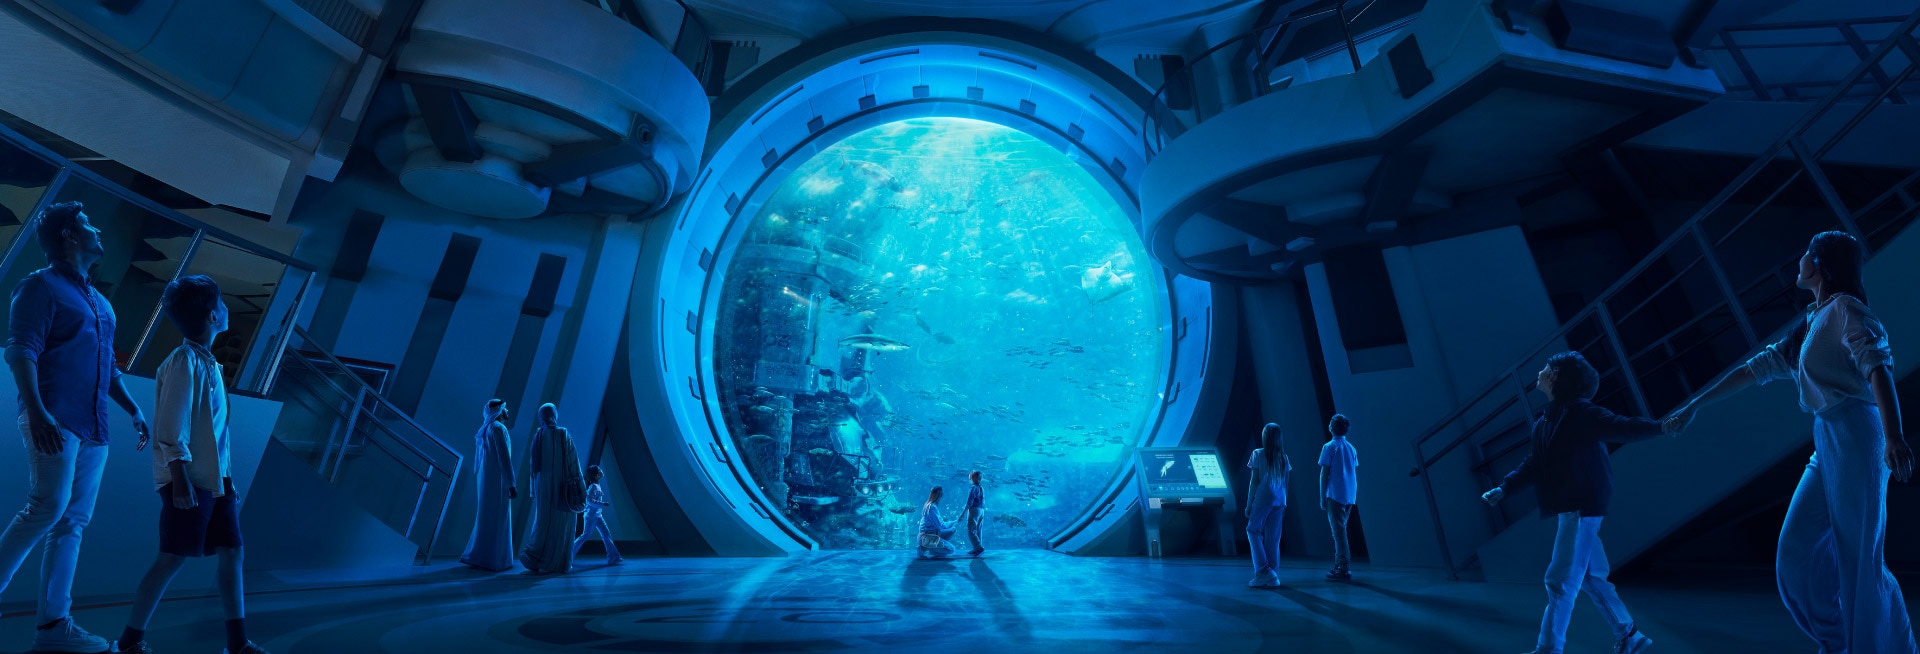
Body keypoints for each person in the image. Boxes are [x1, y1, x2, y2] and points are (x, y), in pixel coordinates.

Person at [1665, 231, 1915, 654]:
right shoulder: (1811, 322)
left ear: (1819, 263)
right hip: (1829, 438)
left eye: (1805, 253)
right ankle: (1838, 640)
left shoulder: (1847, 310)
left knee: (1859, 558)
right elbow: (1754, 369)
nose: (1798, 259)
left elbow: (1878, 369)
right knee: (1795, 550)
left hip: (1859, 436)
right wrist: (1695, 404)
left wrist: (1894, 436)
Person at [0, 201, 151, 653]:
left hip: (94, 428)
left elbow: (107, 369)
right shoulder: (38, 287)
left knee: (72, 523)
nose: (98, 229)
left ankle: (53, 628)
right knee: (47, 507)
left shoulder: (102, 303)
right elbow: (20, 351)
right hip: (53, 418)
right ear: (69, 236)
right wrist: (38, 410)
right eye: (88, 224)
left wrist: (133, 409)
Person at [113, 275, 266, 654]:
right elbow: (171, 427)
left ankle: (237, 644)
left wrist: (226, 479)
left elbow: (215, 432)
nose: (228, 309)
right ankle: (130, 642)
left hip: (215, 482)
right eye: (224, 305)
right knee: (171, 559)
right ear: (213, 315)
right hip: (189, 481)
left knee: (233, 552)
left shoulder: (208, 364)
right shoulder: (183, 362)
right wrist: (180, 481)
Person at [1482, 351, 1668, 654]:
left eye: (1545, 368)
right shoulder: (1545, 423)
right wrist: (1504, 488)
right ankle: (1630, 636)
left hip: (1581, 508)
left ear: (1555, 376)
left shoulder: (1581, 413)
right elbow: (1535, 463)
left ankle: (1548, 649)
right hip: (1573, 509)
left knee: (1559, 581)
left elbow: (1622, 426)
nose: (1539, 372)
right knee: (1593, 578)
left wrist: (1660, 427)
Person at [519, 403, 584, 574]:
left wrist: (535, 490)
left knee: (543, 521)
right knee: (561, 523)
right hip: (563, 487)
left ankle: (535, 557)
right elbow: (573, 463)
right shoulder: (563, 433)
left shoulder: (538, 436)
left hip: (543, 486)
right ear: (554, 414)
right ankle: (557, 562)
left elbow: (533, 468)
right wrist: (581, 490)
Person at [461, 399, 517, 571]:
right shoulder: (499, 429)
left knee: (486, 516)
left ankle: (479, 555)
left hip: (485, 480)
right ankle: (496, 559)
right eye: (505, 409)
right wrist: (511, 483)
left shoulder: (485, 428)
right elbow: (504, 458)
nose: (507, 412)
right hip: (498, 480)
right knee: (499, 517)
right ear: (499, 411)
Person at [1245, 423, 1290, 588]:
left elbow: (1254, 481)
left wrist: (1249, 503)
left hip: (1263, 499)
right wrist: (1285, 503)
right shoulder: (1283, 457)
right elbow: (1286, 483)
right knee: (1273, 539)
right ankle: (1274, 575)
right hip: (1279, 501)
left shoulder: (1258, 454)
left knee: (1252, 530)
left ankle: (1263, 571)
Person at [1319, 414, 1358, 581]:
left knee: (1338, 532)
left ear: (1331, 427)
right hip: (1349, 493)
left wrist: (1322, 496)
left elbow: (1324, 474)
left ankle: (1343, 566)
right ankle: (1339, 564)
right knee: (1341, 530)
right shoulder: (1351, 447)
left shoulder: (1329, 447)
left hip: (1335, 494)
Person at [571, 465, 623, 565]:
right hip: (591, 516)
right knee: (585, 536)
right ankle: (568, 556)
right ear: (596, 475)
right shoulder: (593, 487)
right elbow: (589, 500)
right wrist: (603, 504)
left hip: (597, 516)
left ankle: (614, 557)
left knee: (606, 534)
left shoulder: (596, 485)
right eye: (599, 470)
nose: (601, 471)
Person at [916, 486, 957, 559]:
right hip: (926, 537)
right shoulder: (932, 507)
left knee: (953, 530)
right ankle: (924, 548)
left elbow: (940, 524)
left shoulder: (929, 505)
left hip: (929, 535)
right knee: (951, 549)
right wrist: (954, 522)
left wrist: (953, 523)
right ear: (939, 495)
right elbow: (940, 526)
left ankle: (932, 548)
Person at [962, 470, 986, 557]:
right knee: (978, 529)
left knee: (971, 530)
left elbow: (970, 501)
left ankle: (979, 548)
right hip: (981, 510)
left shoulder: (973, 488)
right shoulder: (981, 488)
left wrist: (963, 513)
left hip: (974, 510)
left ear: (973, 478)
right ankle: (977, 548)